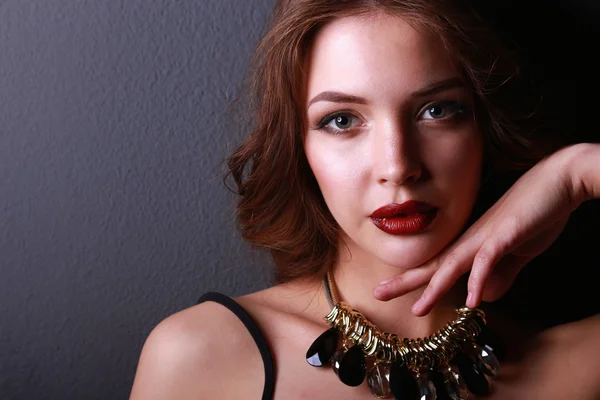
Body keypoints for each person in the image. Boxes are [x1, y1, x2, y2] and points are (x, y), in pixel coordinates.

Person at [129, 0, 600, 399]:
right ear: (299, 148)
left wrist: (576, 172)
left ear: (484, 128)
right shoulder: (203, 356)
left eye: (436, 110)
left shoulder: (576, 366)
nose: (397, 167)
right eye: (341, 120)